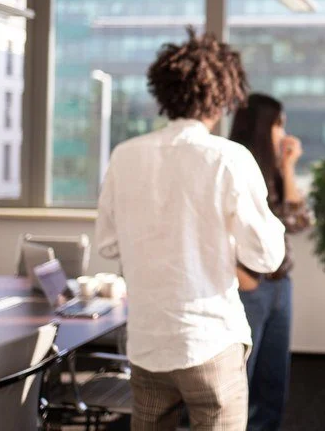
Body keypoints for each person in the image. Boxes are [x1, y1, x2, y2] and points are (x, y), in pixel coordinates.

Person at [95, 29, 286, 431]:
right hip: (210, 342)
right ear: (222, 98)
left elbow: (108, 246)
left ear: (162, 93)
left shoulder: (124, 156)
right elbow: (267, 256)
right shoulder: (230, 158)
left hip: (147, 343)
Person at [229, 93, 313, 431]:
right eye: (279, 124)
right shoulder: (232, 165)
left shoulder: (274, 169)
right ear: (263, 125)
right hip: (248, 287)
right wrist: (240, 275)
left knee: (274, 378)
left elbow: (299, 222)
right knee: (237, 380)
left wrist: (288, 169)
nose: (283, 133)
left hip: (280, 284)